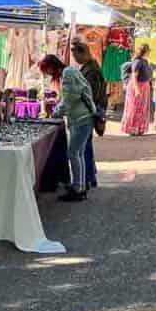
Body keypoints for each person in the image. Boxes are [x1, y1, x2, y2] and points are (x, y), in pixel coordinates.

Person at [42, 54, 96, 202]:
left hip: (81, 118)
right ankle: (81, 186)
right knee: (78, 153)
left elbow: (69, 99)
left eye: (47, 71)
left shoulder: (68, 74)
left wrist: (55, 113)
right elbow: (68, 98)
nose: (48, 75)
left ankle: (78, 188)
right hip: (83, 118)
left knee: (73, 153)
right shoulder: (70, 71)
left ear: (52, 67)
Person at [71, 40, 107, 190]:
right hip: (91, 110)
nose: (75, 60)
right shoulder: (89, 67)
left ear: (83, 53)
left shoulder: (91, 70)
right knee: (86, 146)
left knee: (82, 148)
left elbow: (90, 93)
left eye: (76, 56)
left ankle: (86, 178)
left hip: (88, 111)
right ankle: (90, 176)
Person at [120, 44, 153, 136]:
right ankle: (132, 128)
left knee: (143, 108)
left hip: (144, 85)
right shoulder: (137, 62)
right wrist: (136, 89)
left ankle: (140, 127)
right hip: (137, 85)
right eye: (148, 51)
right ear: (145, 51)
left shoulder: (145, 61)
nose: (150, 52)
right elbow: (134, 76)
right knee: (134, 107)